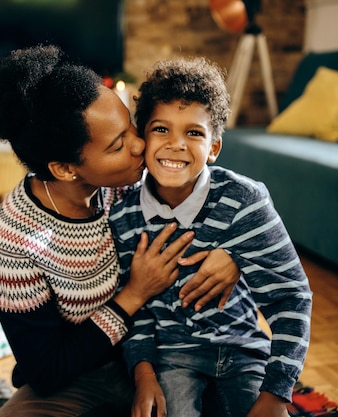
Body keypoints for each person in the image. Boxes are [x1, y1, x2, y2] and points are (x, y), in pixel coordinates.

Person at [0, 45, 242, 417]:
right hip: (81, 373)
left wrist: (234, 255)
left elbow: (223, 195)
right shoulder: (16, 239)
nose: (140, 144)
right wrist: (134, 294)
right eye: (118, 144)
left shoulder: (134, 180)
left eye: (130, 125)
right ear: (65, 169)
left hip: (172, 351)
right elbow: (46, 370)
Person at [109, 56, 313, 417]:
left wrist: (277, 394)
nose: (176, 144)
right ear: (141, 137)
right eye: (161, 129)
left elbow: (290, 296)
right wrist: (143, 374)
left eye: (194, 132)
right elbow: (135, 310)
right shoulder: (124, 214)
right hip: (171, 355)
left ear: (214, 147)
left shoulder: (245, 201)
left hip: (244, 347)